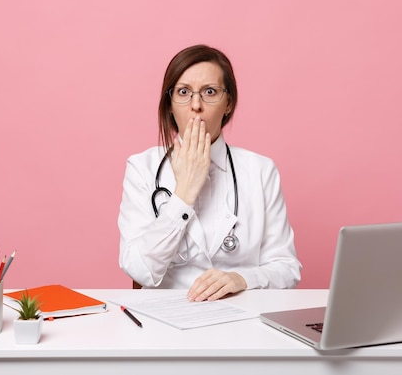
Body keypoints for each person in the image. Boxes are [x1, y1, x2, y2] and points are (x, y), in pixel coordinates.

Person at [118, 44, 301, 301]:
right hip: (165, 323)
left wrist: (242, 279)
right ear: (169, 105)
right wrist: (184, 194)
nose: (196, 105)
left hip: (240, 321)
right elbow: (140, 269)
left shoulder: (260, 170)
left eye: (210, 92)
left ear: (228, 103)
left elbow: (287, 269)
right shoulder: (142, 167)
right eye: (183, 92)